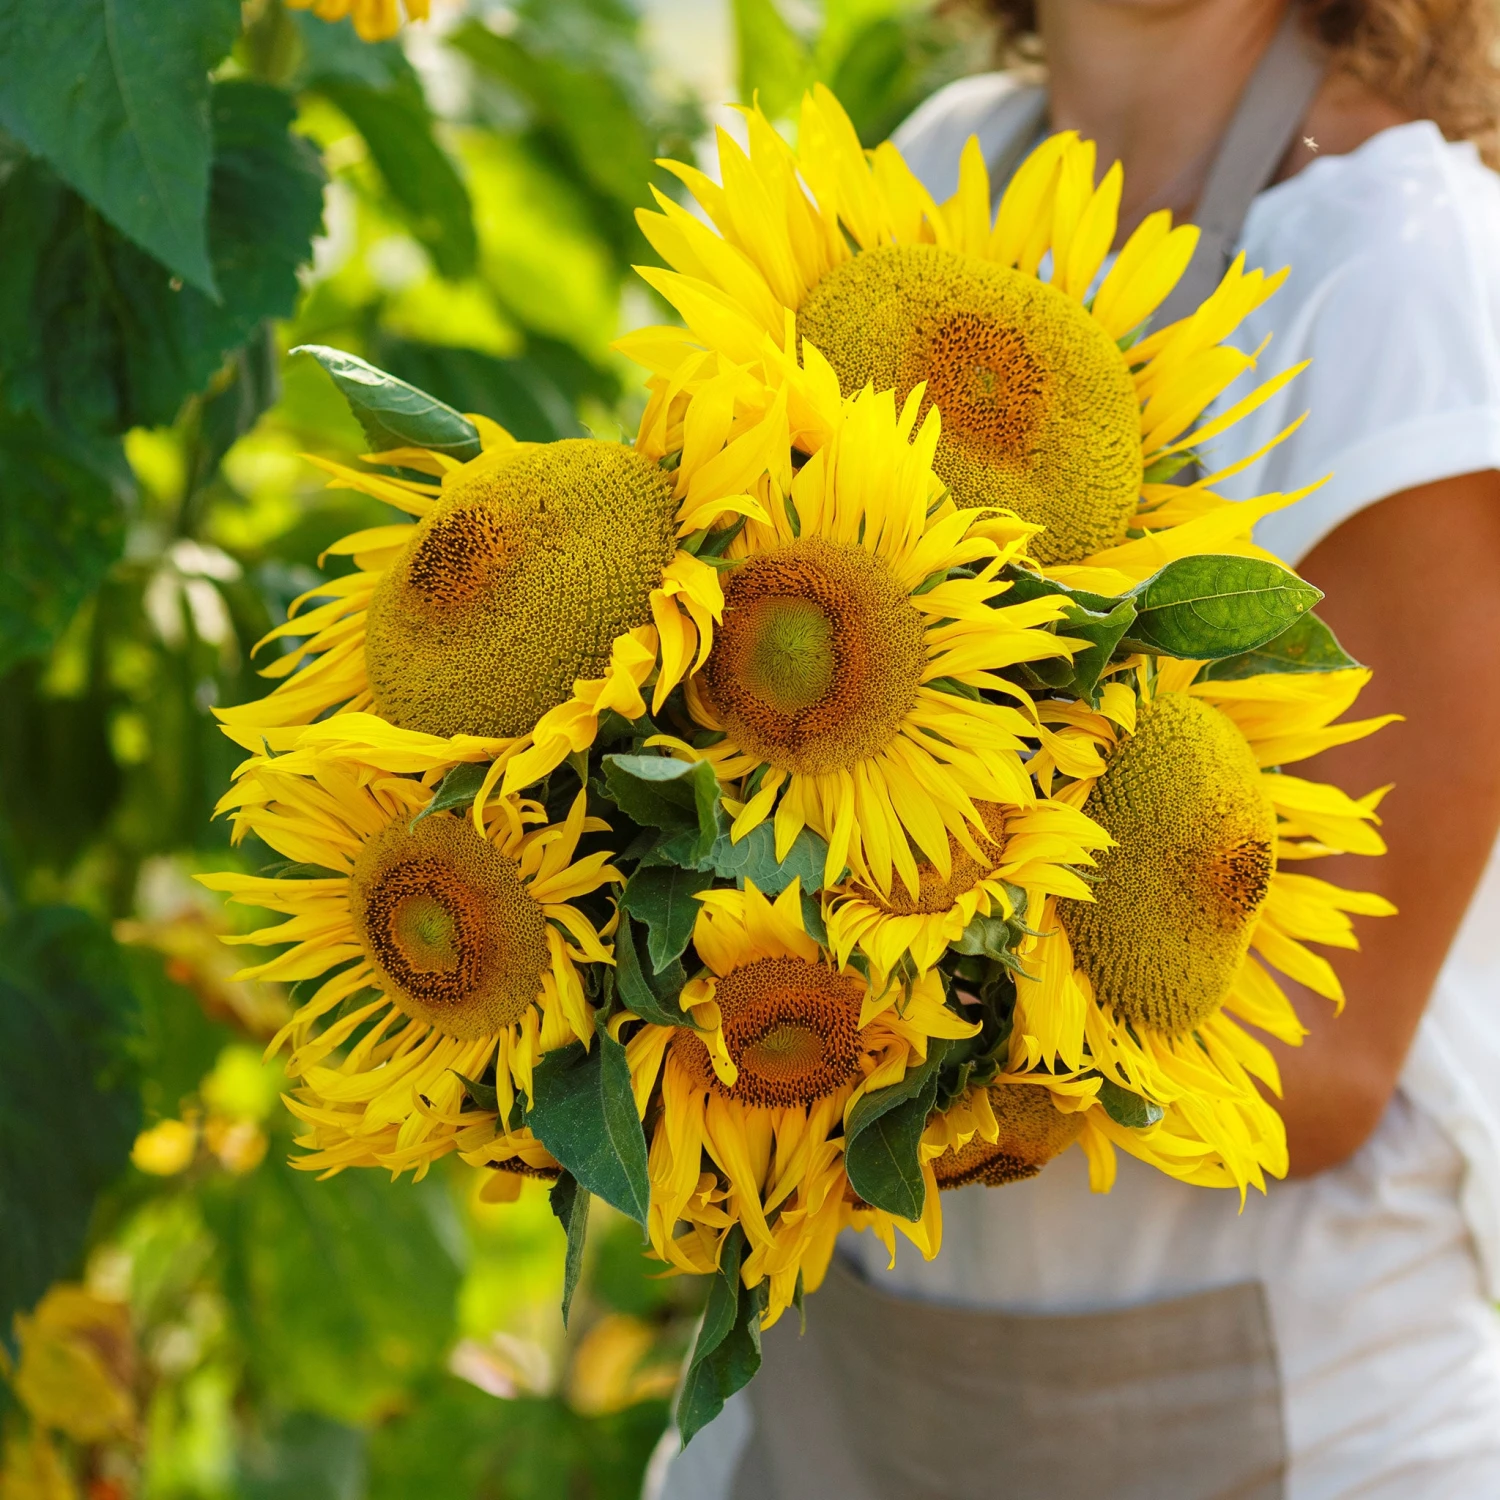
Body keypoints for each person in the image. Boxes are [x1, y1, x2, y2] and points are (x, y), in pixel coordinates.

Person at [648, 2, 1500, 1495]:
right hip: (852, 1370)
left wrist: (773, 1022)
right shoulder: (935, 173)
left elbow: (1323, 1062)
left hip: (1277, 1416)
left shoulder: (1405, 282)